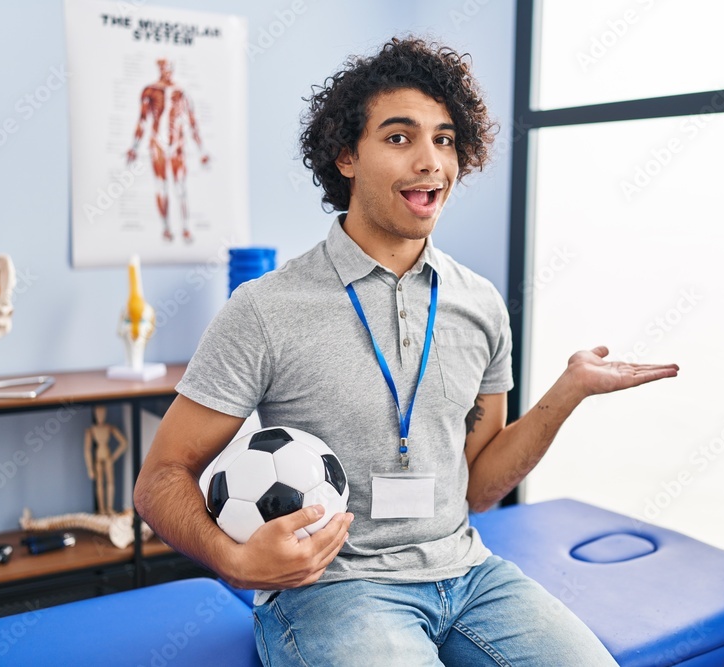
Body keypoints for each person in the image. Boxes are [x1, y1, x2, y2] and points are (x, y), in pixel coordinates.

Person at [134, 37, 678, 666]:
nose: (430, 162)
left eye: (444, 140)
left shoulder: (480, 303)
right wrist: (237, 559)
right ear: (346, 155)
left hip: (472, 576)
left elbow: (479, 487)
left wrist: (569, 389)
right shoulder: (265, 308)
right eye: (399, 138)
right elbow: (161, 480)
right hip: (335, 589)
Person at [126, 58, 210, 243]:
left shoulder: (182, 92)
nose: (166, 71)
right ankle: (165, 227)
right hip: (158, 143)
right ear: (159, 68)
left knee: (180, 187)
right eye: (163, 68)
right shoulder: (150, 90)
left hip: (177, 143)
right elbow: (142, 120)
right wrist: (134, 147)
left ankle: (185, 228)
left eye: (169, 68)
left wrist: (202, 151)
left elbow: (192, 121)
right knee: (161, 187)